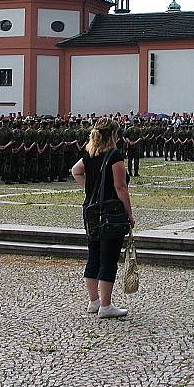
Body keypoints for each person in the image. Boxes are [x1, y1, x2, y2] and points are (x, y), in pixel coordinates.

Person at [71, 118, 136, 319]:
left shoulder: (91, 153)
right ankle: (106, 306)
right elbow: (120, 187)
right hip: (110, 212)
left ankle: (94, 301)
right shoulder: (114, 155)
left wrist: (91, 190)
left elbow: (75, 171)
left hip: (91, 211)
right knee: (108, 258)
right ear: (113, 135)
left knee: (94, 256)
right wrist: (129, 212)